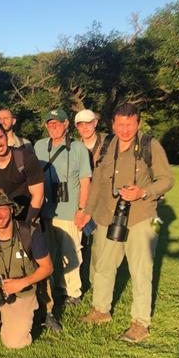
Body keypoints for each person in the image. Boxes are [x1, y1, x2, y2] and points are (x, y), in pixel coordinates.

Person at [79, 103, 174, 343]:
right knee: (103, 265)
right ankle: (101, 310)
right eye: (120, 124)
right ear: (113, 124)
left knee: (141, 271)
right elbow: (97, 183)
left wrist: (143, 192)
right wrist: (87, 212)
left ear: (138, 123)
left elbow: (167, 180)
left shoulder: (150, 145)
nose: (124, 129)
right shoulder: (107, 146)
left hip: (141, 216)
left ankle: (140, 323)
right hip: (107, 216)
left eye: (129, 124)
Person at [0, 190, 53, 349]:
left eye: (2, 209)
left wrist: (22, 283)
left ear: (11, 209)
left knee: (14, 343)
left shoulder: (29, 232)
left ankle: (22, 316)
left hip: (22, 292)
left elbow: (47, 267)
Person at [33, 108, 92, 330]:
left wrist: (82, 209)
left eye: (57, 123)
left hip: (69, 210)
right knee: (50, 253)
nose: (53, 127)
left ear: (66, 124)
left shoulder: (78, 148)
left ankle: (72, 292)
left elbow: (85, 181)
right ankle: (55, 287)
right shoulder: (39, 146)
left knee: (71, 249)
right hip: (46, 210)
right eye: (50, 123)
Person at [0, 120, 45, 224]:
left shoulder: (27, 158)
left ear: (6, 137)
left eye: (0, 137)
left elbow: (38, 195)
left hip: (27, 216)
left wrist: (27, 225)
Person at [74, 108, 104, 287]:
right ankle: (80, 279)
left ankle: (96, 281)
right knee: (81, 242)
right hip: (82, 200)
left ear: (95, 123)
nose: (85, 128)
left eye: (88, 123)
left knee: (100, 243)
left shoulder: (108, 144)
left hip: (102, 201)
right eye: (81, 124)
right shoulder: (74, 147)